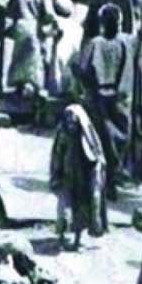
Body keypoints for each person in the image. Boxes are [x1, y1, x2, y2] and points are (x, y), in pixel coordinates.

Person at [75, 1, 135, 191]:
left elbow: (83, 70)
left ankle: (106, 176)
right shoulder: (127, 42)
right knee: (120, 138)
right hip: (120, 98)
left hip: (100, 98)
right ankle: (115, 174)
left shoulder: (95, 43)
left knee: (101, 138)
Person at [51, 102, 107, 248]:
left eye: (73, 121)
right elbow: (57, 156)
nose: (71, 124)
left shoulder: (87, 135)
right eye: (68, 120)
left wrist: (96, 179)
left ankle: (77, 238)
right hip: (67, 177)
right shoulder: (63, 133)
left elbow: (97, 156)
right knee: (64, 210)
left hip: (84, 178)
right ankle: (62, 235)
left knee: (83, 211)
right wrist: (56, 175)